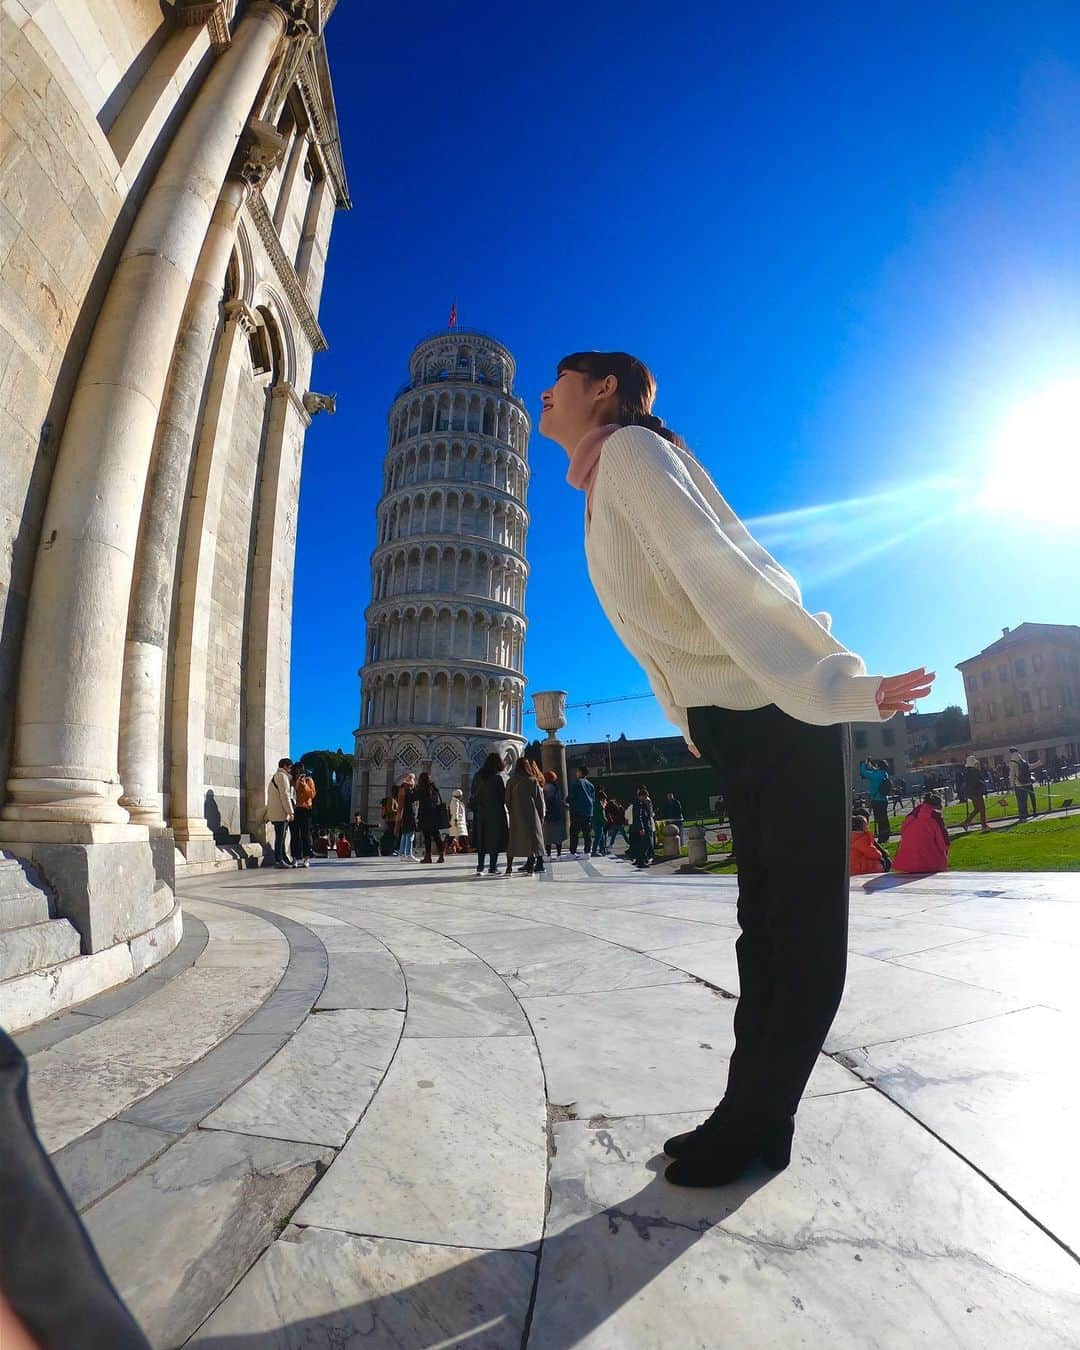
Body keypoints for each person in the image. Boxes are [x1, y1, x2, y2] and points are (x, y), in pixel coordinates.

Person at [540, 348, 933, 1188]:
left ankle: (756, 1118)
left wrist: (839, 687)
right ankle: (751, 1113)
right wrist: (691, 718)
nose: (543, 394)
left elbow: (724, 574)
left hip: (781, 706)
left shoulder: (636, 455)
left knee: (797, 930)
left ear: (601, 389)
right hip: (742, 716)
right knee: (766, 934)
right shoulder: (608, 478)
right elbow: (659, 626)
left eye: (557, 381)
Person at [470, 752, 508, 876]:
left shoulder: (477, 776)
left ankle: (480, 866)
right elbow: (503, 797)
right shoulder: (497, 777)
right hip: (495, 813)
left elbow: (472, 791)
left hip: (480, 812)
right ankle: (492, 867)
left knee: (481, 839)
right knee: (494, 840)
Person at [506, 757, 546, 874]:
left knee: (514, 840)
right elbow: (538, 800)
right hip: (532, 814)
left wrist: (512, 811)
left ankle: (509, 867)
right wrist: (541, 816)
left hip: (516, 815)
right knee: (535, 839)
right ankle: (537, 864)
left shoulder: (511, 781)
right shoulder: (532, 780)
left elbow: (507, 800)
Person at [894, 793, 950, 873]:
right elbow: (944, 842)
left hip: (908, 864)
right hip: (931, 864)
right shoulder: (936, 819)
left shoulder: (910, 817)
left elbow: (903, 832)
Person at [266, 757, 295, 868]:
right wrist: (290, 812)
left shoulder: (277, 776)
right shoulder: (282, 777)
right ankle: (279, 860)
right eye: (290, 767)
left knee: (281, 837)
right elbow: (285, 796)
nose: (290, 770)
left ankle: (283, 858)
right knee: (280, 837)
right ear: (285, 766)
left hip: (276, 812)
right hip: (280, 813)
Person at [415, 771, 446, 864]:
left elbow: (414, 798)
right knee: (437, 836)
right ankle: (441, 856)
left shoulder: (421, 790)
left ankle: (428, 857)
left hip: (425, 816)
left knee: (427, 837)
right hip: (434, 816)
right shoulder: (434, 789)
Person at [858, 757, 892, 844]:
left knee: (880, 819)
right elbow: (877, 772)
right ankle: (886, 835)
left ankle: (882, 838)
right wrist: (873, 767)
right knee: (884, 819)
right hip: (884, 799)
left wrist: (865, 764)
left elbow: (863, 772)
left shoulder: (875, 776)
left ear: (878, 766)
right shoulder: (884, 774)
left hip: (877, 800)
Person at [290, 763, 316, 868]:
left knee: (305, 835)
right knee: (294, 835)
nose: (298, 774)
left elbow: (312, 794)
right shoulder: (292, 781)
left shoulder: (309, 780)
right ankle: (295, 858)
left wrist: (304, 784)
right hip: (295, 809)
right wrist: (296, 782)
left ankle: (306, 858)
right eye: (296, 772)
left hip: (306, 809)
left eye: (300, 772)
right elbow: (292, 792)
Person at [568, 765, 595, 856]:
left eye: (577, 771)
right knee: (586, 832)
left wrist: (566, 801)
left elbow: (572, 796)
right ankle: (587, 851)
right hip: (588, 812)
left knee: (574, 832)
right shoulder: (590, 785)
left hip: (577, 811)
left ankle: (573, 851)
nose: (576, 773)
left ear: (580, 772)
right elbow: (593, 798)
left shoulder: (577, 783)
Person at [961, 755, 991, 832]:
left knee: (977, 809)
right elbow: (977, 781)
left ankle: (966, 822)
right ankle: (984, 825)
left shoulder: (968, 771)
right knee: (982, 809)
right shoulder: (973, 771)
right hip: (976, 792)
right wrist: (983, 784)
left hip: (972, 793)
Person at [628, 785, 655, 868]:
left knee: (642, 844)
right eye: (645, 797)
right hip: (643, 826)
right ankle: (641, 861)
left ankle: (640, 861)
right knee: (644, 844)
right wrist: (641, 828)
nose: (645, 798)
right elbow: (638, 816)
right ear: (642, 796)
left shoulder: (639, 802)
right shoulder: (638, 803)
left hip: (642, 825)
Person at [1008, 748, 1037, 822]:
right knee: (1031, 798)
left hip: (1019, 784)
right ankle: (1034, 812)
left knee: (1021, 800)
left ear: (1011, 753)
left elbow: (1012, 774)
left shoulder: (1012, 762)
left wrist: (1011, 785)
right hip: (1028, 782)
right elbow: (1029, 767)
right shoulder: (1022, 760)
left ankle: (1023, 815)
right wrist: (1038, 763)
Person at [542, 770, 566, 857]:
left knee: (548, 837)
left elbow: (545, 801)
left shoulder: (546, 788)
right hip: (557, 815)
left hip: (549, 815)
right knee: (557, 837)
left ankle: (548, 854)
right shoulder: (556, 788)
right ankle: (559, 853)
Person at [395, 773, 418, 859]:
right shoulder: (408, 790)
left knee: (404, 834)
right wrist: (414, 789)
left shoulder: (402, 789)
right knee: (410, 834)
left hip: (403, 815)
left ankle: (402, 853)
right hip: (409, 814)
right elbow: (414, 798)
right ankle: (408, 854)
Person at [446, 787, 468, 853]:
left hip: (459, 821)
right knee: (455, 835)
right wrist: (455, 821)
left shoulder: (456, 802)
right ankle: (464, 847)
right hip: (457, 822)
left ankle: (464, 847)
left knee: (456, 835)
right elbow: (455, 812)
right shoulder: (455, 802)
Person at [590, 784, 609, 856]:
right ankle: (594, 851)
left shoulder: (595, 800)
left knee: (601, 835)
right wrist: (605, 820)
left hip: (595, 820)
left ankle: (602, 849)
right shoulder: (598, 803)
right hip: (598, 821)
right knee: (599, 836)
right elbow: (601, 813)